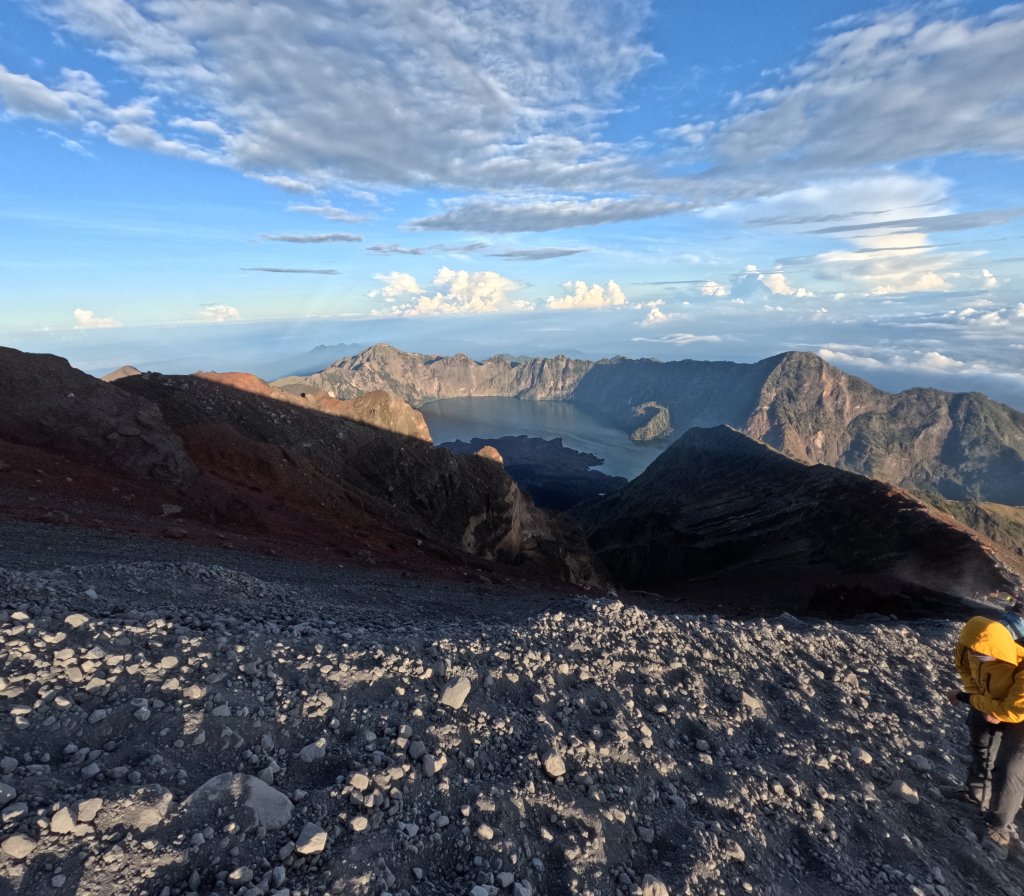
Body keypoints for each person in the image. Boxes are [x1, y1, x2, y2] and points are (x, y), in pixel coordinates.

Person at [948, 597, 1024, 858]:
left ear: (1000, 649)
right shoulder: (970, 648)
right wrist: (978, 698)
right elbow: (966, 671)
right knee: (981, 747)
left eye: (984, 653)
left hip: (1020, 713)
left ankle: (1000, 825)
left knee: (1011, 768)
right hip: (991, 702)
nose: (976, 655)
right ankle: (976, 794)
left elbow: (1015, 710)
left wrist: (973, 700)